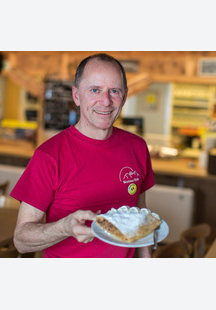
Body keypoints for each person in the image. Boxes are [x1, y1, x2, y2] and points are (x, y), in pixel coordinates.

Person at [11, 53, 155, 258]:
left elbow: (140, 215)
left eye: (114, 91)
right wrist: (64, 228)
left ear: (124, 96)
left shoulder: (137, 147)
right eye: (95, 90)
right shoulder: (49, 155)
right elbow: (21, 240)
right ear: (77, 95)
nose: (105, 101)